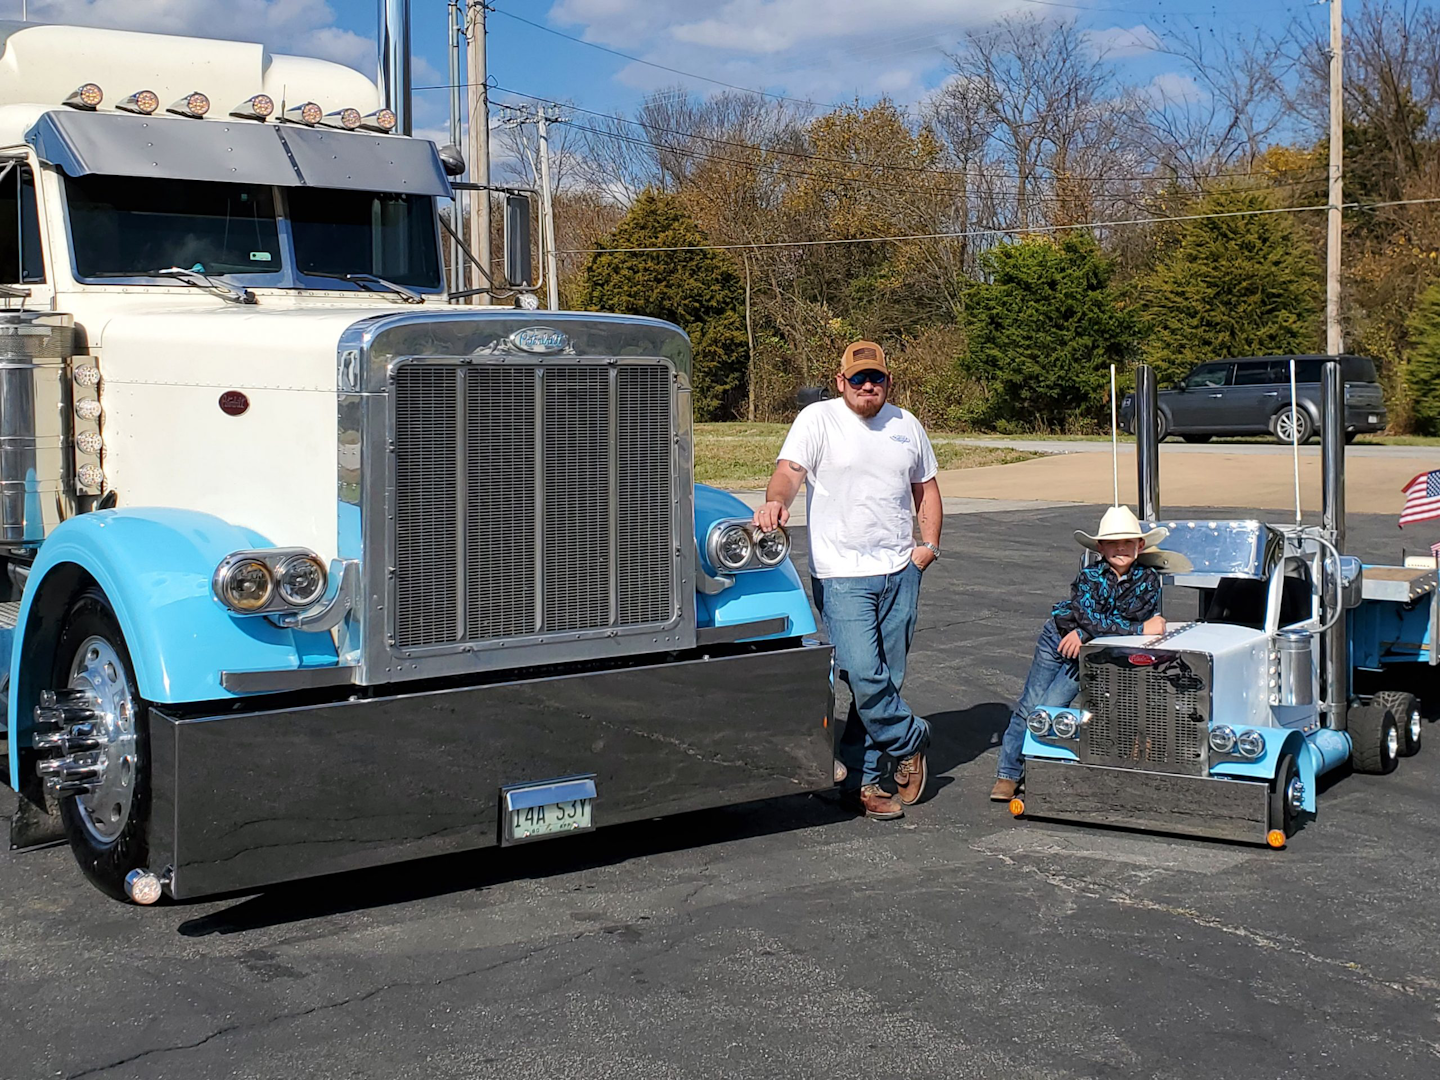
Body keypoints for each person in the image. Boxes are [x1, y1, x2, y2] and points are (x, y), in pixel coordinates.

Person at [755, 341, 941, 820]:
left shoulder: (906, 425)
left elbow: (926, 489)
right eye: (857, 378)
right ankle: (910, 739)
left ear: (888, 382)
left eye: (875, 378)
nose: (866, 386)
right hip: (842, 574)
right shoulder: (818, 420)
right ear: (840, 381)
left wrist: (928, 548)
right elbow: (788, 473)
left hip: (901, 569)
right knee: (862, 672)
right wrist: (777, 501)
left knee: (886, 679)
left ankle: (865, 783)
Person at [990, 505, 1168, 802]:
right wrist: (1130, 630)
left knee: (1051, 705)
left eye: (1127, 541)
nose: (1120, 548)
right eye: (1112, 542)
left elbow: (1123, 617)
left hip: (1090, 651)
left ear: (1140, 546)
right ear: (1100, 547)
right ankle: (1008, 773)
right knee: (1030, 704)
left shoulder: (1149, 581)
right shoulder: (1089, 576)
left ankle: (1038, 771)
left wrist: (1089, 633)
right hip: (1058, 640)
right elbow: (1094, 619)